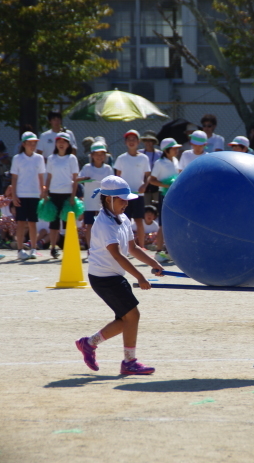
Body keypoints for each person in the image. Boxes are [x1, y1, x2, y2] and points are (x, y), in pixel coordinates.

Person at [74, 175, 164, 375]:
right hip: (104, 277)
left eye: (126, 200)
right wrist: (140, 277)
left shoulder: (123, 218)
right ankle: (129, 362)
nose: (126, 203)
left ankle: (88, 344)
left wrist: (154, 263)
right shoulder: (104, 223)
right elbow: (117, 254)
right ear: (108, 199)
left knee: (125, 320)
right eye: (122, 200)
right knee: (133, 315)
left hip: (113, 275)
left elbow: (132, 248)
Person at [10, 131, 47, 260]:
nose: (33, 145)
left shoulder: (39, 158)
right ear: (24, 144)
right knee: (20, 223)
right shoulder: (17, 158)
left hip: (35, 195)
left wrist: (42, 191)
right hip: (21, 194)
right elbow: (14, 178)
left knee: (32, 223)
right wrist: (14, 195)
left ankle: (33, 249)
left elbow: (41, 175)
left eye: (34, 143)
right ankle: (20, 250)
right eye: (30, 143)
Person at [45, 132, 80, 259]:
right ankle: (53, 248)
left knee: (68, 224)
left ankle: (68, 248)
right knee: (54, 224)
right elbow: (48, 177)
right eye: (59, 141)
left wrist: (73, 196)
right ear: (56, 143)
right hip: (53, 194)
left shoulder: (72, 158)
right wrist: (45, 192)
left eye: (64, 141)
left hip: (67, 194)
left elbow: (75, 179)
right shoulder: (51, 158)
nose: (61, 143)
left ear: (68, 144)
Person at [114, 130, 150, 249]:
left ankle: (142, 246)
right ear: (125, 142)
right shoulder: (121, 158)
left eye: (134, 139)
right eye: (129, 139)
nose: (131, 142)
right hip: (124, 195)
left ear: (138, 142)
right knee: (124, 221)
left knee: (139, 221)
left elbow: (148, 176)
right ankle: (124, 246)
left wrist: (144, 186)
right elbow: (117, 176)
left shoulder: (144, 158)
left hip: (138, 195)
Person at [148, 138, 181, 262]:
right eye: (174, 148)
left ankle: (169, 251)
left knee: (172, 223)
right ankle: (158, 251)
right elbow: (152, 180)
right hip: (164, 196)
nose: (176, 150)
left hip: (174, 196)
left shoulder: (176, 161)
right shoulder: (160, 163)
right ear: (166, 150)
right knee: (163, 224)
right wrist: (167, 185)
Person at [78, 142, 114, 251]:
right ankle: (90, 248)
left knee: (103, 226)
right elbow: (78, 179)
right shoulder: (87, 167)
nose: (99, 156)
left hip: (104, 203)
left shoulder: (108, 168)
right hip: (89, 203)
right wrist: (85, 178)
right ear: (92, 155)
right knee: (90, 226)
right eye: (96, 154)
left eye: (102, 154)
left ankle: (103, 249)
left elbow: (112, 183)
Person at [139, 131, 163, 205]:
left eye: (150, 141)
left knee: (157, 204)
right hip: (143, 183)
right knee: (145, 205)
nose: (148, 143)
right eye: (146, 141)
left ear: (153, 142)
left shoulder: (160, 154)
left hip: (156, 182)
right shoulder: (140, 153)